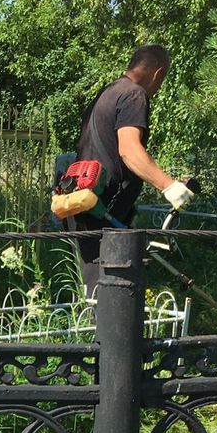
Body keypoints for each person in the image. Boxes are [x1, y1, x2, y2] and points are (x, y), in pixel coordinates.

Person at [72, 44, 194, 288]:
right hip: (105, 212)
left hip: (87, 203)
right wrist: (169, 186)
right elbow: (128, 149)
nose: (158, 88)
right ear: (158, 74)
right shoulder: (134, 95)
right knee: (111, 296)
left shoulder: (109, 92)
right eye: (162, 80)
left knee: (95, 289)